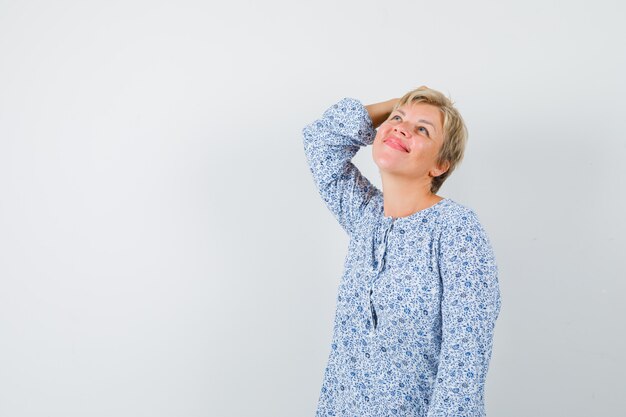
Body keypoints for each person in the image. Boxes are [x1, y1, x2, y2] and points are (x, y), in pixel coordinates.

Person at [302, 86, 502, 416]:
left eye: (422, 129)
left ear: (440, 165)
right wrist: (398, 105)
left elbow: (465, 360)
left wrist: (403, 113)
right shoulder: (365, 213)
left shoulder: (456, 229)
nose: (401, 127)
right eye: (397, 120)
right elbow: (320, 140)